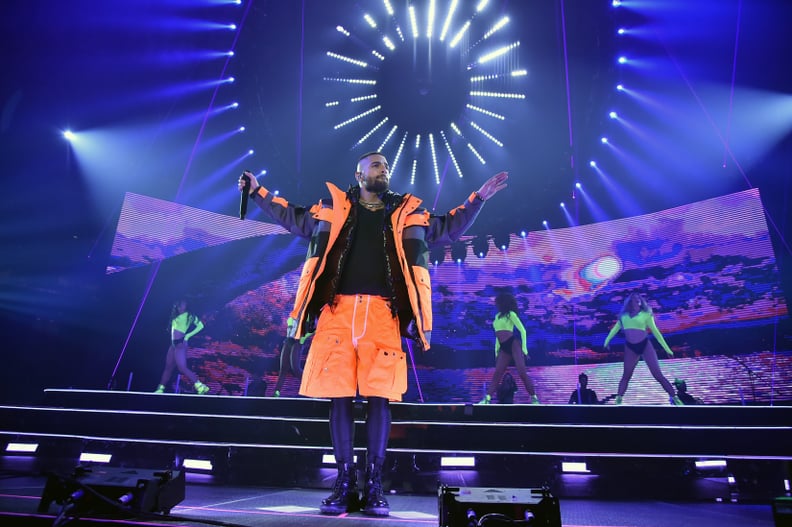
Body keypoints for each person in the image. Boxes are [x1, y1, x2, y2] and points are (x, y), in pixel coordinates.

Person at [239, 152, 507, 516]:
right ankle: (344, 482)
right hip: (337, 313)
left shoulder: (407, 213)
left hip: (384, 314)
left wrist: (478, 199)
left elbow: (449, 227)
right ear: (359, 173)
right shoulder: (332, 209)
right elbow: (291, 215)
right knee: (340, 397)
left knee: (380, 397)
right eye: (377, 164)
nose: (384, 169)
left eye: (386, 166)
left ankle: (375, 483)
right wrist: (256, 192)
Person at [603, 292, 681, 405]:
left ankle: (675, 398)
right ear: (629, 302)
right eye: (633, 300)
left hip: (645, 345)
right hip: (630, 347)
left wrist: (668, 349)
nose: (635, 301)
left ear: (640, 302)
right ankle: (618, 400)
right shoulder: (623, 316)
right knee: (626, 375)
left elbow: (656, 331)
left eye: (637, 300)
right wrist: (606, 342)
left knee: (657, 374)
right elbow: (614, 329)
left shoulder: (646, 314)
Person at [479, 292, 539, 405]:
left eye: (497, 302)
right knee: (497, 373)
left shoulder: (510, 314)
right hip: (503, 346)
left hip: (513, 344)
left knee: (522, 372)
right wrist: (496, 351)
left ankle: (534, 398)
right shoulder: (497, 317)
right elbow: (497, 335)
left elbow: (523, 331)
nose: (495, 304)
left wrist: (525, 349)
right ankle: (487, 399)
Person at [154, 300, 210, 395]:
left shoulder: (189, 315)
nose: (180, 307)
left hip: (180, 343)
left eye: (182, 305)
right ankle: (160, 389)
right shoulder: (175, 315)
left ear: (186, 306)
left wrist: (188, 336)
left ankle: (201, 386)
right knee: (168, 367)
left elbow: (200, 326)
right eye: (178, 305)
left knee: (182, 368)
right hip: (173, 344)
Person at [271, 316, 313, 397]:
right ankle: (276, 392)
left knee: (296, 368)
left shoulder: (308, 314)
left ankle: (310, 388)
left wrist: (304, 338)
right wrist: (289, 328)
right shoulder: (294, 313)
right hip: (289, 340)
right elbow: (289, 321)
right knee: (283, 369)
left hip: (297, 341)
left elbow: (314, 329)